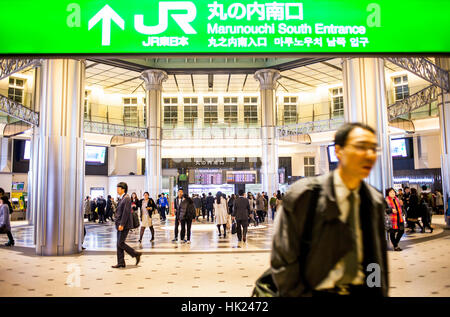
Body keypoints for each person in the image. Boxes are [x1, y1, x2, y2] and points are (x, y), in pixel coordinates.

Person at [271, 122, 388, 297]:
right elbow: (283, 262)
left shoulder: (374, 201)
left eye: (373, 148)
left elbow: (375, 263)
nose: (369, 155)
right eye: (361, 147)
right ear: (339, 151)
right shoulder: (304, 196)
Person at [112, 182, 141, 268]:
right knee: (118, 243)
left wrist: (122, 224)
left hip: (124, 225)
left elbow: (126, 212)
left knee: (120, 243)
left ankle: (135, 254)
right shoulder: (122, 198)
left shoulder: (127, 198)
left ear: (123, 189)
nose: (117, 189)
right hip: (119, 224)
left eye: (118, 188)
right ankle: (121, 262)